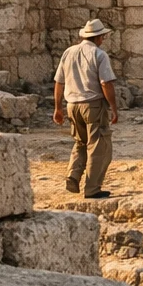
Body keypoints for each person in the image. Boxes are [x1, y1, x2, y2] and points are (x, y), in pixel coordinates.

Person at [54, 18, 119, 198]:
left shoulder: (68, 52)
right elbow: (106, 83)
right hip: (93, 105)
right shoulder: (99, 55)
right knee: (99, 146)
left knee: (80, 143)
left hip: (72, 105)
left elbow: (59, 82)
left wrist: (58, 108)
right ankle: (92, 188)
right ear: (99, 37)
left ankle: (73, 175)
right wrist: (114, 108)